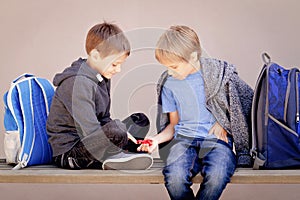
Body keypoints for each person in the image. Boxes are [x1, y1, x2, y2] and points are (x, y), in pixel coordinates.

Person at [138, 25, 253, 199]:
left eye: (174, 66)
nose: (169, 71)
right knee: (175, 177)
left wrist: (224, 123)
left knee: (218, 174)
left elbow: (242, 105)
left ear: (192, 57)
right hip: (183, 141)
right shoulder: (169, 84)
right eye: (166, 66)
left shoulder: (219, 77)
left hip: (217, 143)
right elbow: (173, 125)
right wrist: (155, 140)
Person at [46, 22, 153, 170]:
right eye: (114, 64)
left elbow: (104, 119)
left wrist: (130, 138)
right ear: (96, 55)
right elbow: (90, 130)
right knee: (117, 130)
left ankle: (121, 154)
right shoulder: (77, 83)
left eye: (121, 64)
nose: (118, 70)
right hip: (71, 153)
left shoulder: (102, 77)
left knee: (140, 121)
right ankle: (117, 155)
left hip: (94, 141)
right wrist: (121, 134)